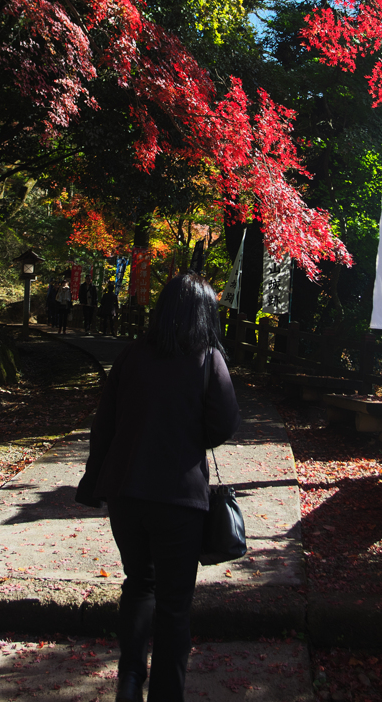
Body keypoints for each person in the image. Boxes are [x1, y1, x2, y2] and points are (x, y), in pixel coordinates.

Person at [75, 272, 240, 702]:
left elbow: (103, 427)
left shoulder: (131, 356)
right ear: (205, 313)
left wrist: (95, 482)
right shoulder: (208, 359)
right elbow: (224, 425)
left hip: (127, 492)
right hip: (180, 499)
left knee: (138, 584)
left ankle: (129, 681)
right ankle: (167, 694)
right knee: (174, 602)